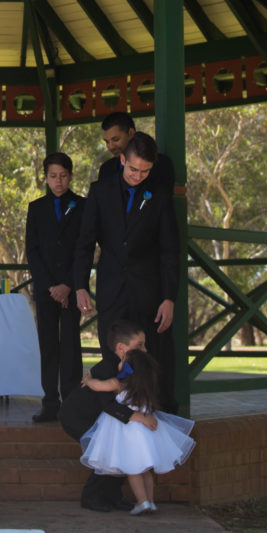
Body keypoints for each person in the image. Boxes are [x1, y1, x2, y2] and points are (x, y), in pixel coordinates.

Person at [74, 131, 181, 413]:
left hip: (149, 294)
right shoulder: (100, 191)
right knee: (113, 359)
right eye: (133, 169)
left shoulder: (158, 197)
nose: (138, 175)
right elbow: (85, 242)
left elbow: (170, 250)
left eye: (145, 171)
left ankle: (159, 422)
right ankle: (117, 421)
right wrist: (80, 285)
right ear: (122, 160)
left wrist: (169, 297)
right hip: (111, 291)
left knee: (154, 360)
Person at [78, 348, 195, 515]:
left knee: (133, 470)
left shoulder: (119, 384)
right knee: (146, 471)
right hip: (146, 434)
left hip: (127, 434)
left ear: (126, 366)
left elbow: (98, 386)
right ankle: (151, 501)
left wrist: (89, 380)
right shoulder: (145, 389)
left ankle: (142, 502)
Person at [60, 320, 157, 512]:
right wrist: (141, 417)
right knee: (106, 451)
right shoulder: (108, 368)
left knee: (122, 451)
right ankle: (92, 496)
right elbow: (110, 405)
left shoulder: (131, 365)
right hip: (79, 417)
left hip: (108, 418)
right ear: (121, 348)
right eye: (139, 345)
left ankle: (113, 495)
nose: (144, 350)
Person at [24, 151, 85, 423]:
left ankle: (72, 402)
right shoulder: (36, 208)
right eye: (52, 176)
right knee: (48, 345)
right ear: (45, 178)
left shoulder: (84, 206)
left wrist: (68, 285)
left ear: (70, 176)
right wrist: (51, 287)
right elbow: (32, 251)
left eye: (63, 176)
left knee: (71, 345)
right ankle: (50, 403)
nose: (58, 181)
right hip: (46, 291)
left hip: (73, 289)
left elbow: (85, 249)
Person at [95, 111, 173, 194]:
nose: (110, 146)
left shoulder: (161, 164)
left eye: (116, 139)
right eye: (107, 142)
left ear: (131, 133)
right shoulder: (106, 169)